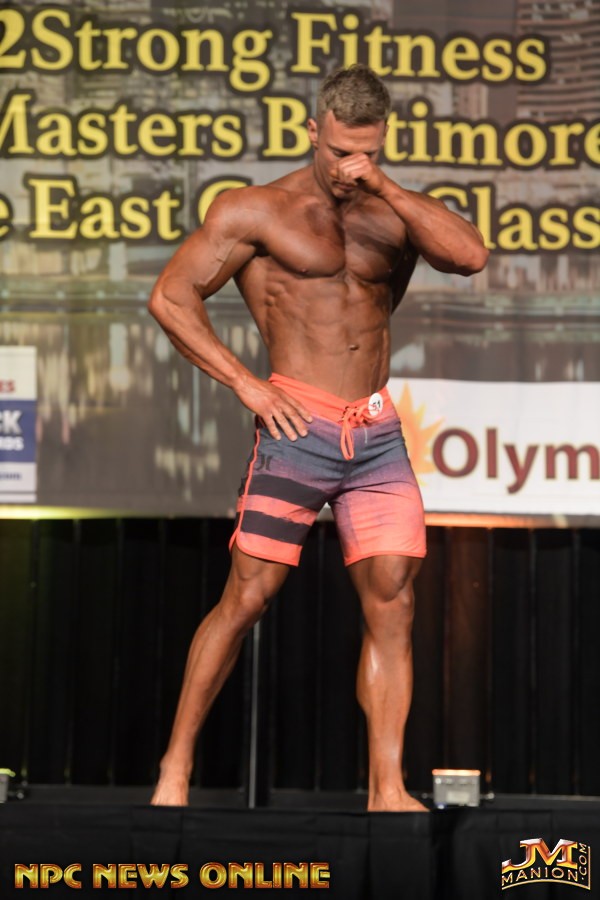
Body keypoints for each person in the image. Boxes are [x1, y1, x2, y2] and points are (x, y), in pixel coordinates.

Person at [148, 64, 488, 811]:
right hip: (295, 424)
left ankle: (386, 788)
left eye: (364, 152)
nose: (348, 167)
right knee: (248, 597)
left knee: (394, 601)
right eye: (338, 151)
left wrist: (384, 186)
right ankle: (175, 768)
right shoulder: (256, 210)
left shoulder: (393, 213)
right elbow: (171, 297)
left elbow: (470, 256)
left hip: (375, 435)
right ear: (313, 131)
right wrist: (247, 384)